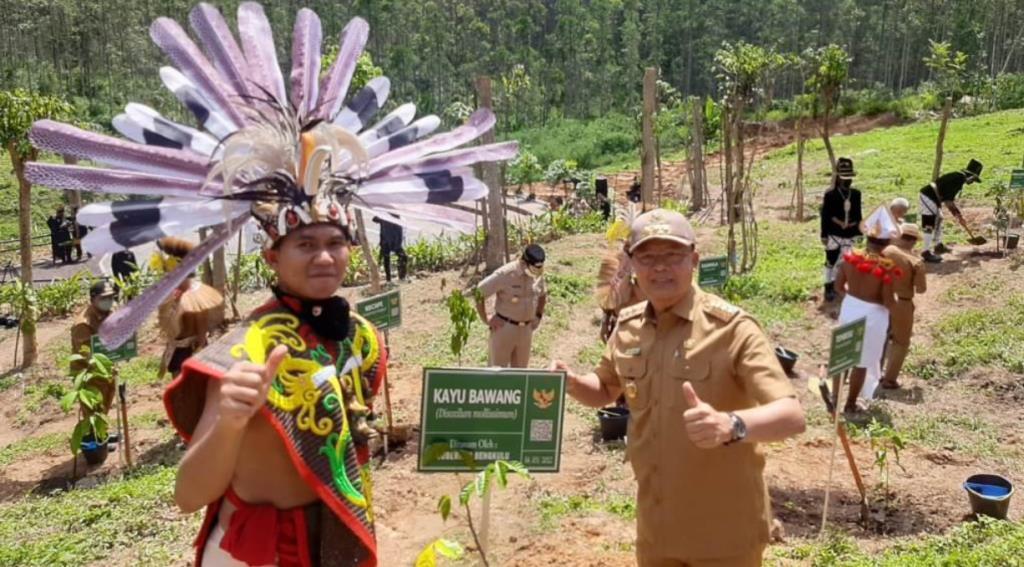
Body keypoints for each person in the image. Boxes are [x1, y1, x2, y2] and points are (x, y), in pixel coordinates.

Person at [24, 4, 517, 564]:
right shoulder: (244, 352)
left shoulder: (359, 337)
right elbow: (188, 495)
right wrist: (231, 422)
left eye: (334, 242)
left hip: (334, 544)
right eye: (305, 245)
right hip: (257, 552)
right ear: (272, 255)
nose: (324, 256)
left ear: (352, 249)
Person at [552, 209, 805, 566]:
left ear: (694, 260)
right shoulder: (629, 326)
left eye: (673, 256)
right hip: (657, 531)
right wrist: (574, 383)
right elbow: (605, 389)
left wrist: (731, 424)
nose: (660, 267)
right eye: (647, 257)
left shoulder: (732, 329)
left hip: (725, 533)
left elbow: (792, 415)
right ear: (631, 264)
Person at [833, 206, 901, 411]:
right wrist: (898, 314)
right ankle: (850, 403)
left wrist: (853, 301)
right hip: (873, 316)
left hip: (850, 308)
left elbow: (838, 287)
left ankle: (835, 399)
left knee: (843, 355)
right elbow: (887, 300)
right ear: (887, 243)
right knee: (861, 362)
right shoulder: (886, 266)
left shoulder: (849, 258)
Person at [155, 237, 225, 379]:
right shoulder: (170, 294)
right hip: (178, 349)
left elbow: (202, 324)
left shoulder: (195, 293)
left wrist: (199, 345)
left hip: (192, 349)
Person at [474, 244, 547, 368]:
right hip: (505, 328)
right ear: (524, 262)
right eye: (533, 269)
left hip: (526, 330)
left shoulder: (537, 273)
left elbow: (542, 295)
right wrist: (486, 318)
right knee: (497, 371)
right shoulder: (506, 274)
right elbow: (479, 292)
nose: (535, 272)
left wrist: (538, 316)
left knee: (521, 373)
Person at [880, 223, 927, 389]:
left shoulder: (887, 251)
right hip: (902, 303)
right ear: (914, 241)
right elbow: (921, 289)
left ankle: (873, 372)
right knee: (900, 343)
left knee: (879, 338)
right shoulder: (916, 261)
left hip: (881, 299)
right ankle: (889, 379)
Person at [919, 158, 983, 263]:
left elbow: (948, 200)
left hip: (934, 197)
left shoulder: (958, 177)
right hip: (928, 196)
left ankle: (938, 246)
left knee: (939, 219)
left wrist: (958, 215)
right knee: (929, 223)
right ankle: (926, 252)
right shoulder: (958, 179)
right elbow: (949, 202)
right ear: (971, 176)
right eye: (973, 179)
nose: (972, 182)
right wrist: (958, 216)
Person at [70, 281, 118, 417]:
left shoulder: (109, 312)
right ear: (93, 299)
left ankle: (102, 430)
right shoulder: (83, 324)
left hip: (106, 369)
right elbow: (87, 354)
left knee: (105, 405)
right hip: (89, 374)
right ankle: (93, 431)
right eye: (104, 298)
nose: (108, 301)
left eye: (111, 297)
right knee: (93, 413)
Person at [820, 157, 862, 302]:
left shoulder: (856, 194)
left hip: (849, 233)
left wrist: (857, 228)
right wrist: (824, 235)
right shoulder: (830, 194)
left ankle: (840, 284)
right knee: (830, 260)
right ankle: (828, 286)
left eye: (849, 178)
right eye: (844, 178)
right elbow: (826, 215)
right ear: (838, 177)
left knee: (846, 260)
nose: (847, 181)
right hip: (834, 233)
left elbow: (858, 213)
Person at [372, 215, 408, 283]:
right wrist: (381, 215)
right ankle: (389, 279)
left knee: (403, 257)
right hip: (387, 241)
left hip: (394, 242)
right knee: (387, 260)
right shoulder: (385, 215)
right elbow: (374, 219)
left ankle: (401, 277)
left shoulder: (396, 217)